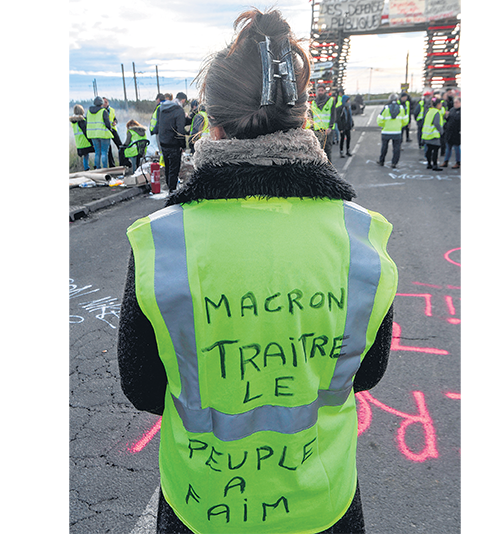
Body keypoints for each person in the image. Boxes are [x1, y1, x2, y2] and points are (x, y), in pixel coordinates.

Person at [117, 8, 398, 534]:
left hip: (202, 502)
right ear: (303, 118)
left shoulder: (162, 240)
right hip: (321, 500)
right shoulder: (361, 238)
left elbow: (141, 385)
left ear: (211, 122)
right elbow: (369, 372)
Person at [156, 91, 188, 192]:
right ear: (182, 100)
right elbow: (180, 130)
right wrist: (183, 145)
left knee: (168, 167)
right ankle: (172, 191)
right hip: (174, 144)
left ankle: (170, 188)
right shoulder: (179, 110)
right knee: (174, 168)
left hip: (163, 142)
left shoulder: (162, 109)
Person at [377, 93, 409, 169]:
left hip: (386, 131)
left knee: (384, 147)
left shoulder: (386, 108)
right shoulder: (401, 108)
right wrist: (400, 125)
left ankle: (381, 161)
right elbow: (405, 120)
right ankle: (394, 163)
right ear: (397, 100)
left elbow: (379, 120)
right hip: (397, 131)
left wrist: (383, 126)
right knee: (396, 148)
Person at [309, 84, 339, 161]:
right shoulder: (314, 103)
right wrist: (311, 128)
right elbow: (312, 117)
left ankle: (329, 166)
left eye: (322, 90)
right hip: (317, 131)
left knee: (327, 150)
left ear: (325, 91)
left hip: (327, 130)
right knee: (318, 150)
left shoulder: (330, 100)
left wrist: (330, 127)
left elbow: (333, 115)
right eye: (319, 90)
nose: (320, 92)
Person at [85, 96, 114, 169]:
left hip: (93, 135)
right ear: (102, 103)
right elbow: (107, 123)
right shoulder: (103, 111)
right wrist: (110, 129)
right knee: (104, 152)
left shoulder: (88, 111)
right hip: (103, 134)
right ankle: (104, 168)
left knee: (97, 152)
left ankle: (97, 168)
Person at [419, 98, 444, 171]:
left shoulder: (429, 111)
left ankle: (429, 164)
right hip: (434, 134)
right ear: (438, 104)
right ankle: (435, 165)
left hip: (427, 134)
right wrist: (441, 131)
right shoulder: (437, 112)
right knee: (435, 150)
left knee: (429, 150)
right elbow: (436, 123)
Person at [69, 104, 95, 171]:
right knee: (97, 152)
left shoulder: (74, 122)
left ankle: (86, 169)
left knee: (85, 156)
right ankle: (95, 167)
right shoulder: (82, 121)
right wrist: (92, 142)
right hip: (85, 142)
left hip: (79, 143)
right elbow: (86, 133)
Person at [442, 96, 461, 169]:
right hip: (449, 132)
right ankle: (446, 161)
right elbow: (448, 120)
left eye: (457, 102)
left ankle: (458, 162)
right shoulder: (452, 110)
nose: (455, 104)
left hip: (457, 132)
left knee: (456, 148)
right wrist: (446, 116)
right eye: (454, 103)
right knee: (448, 148)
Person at [336, 94, 354, 158]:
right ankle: (341, 151)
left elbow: (350, 117)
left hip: (348, 127)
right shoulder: (340, 109)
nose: (349, 102)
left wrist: (352, 123)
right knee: (342, 139)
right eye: (348, 100)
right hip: (343, 127)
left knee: (348, 138)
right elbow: (338, 119)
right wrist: (340, 128)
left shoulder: (348, 108)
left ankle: (348, 150)